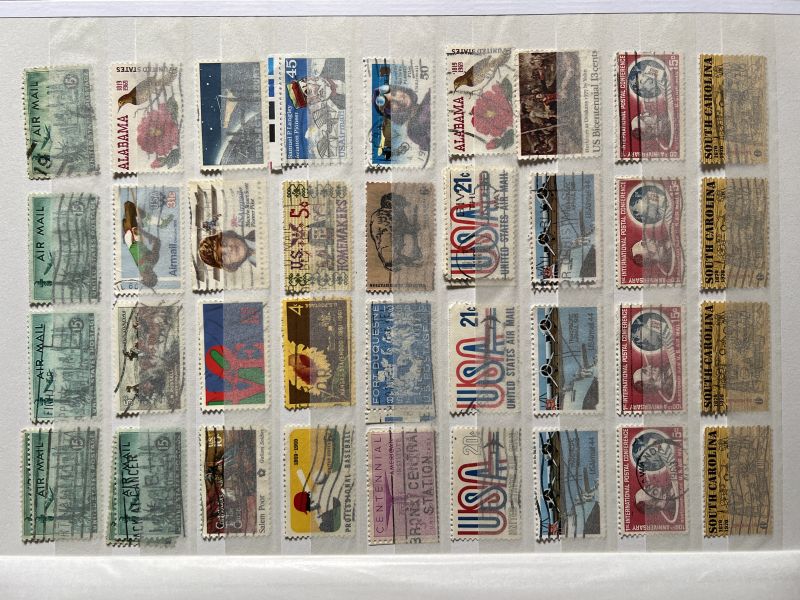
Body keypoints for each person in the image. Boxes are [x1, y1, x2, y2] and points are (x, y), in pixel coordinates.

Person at [372, 83, 431, 154]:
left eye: (394, 93)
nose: (398, 100)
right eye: (390, 103)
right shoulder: (413, 131)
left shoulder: (430, 96)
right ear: (390, 112)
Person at [122, 200, 162, 288]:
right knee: (129, 206)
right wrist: (144, 233)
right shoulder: (153, 260)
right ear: (152, 275)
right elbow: (157, 241)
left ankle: (144, 217)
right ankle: (149, 218)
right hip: (134, 237)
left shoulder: (142, 271)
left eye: (143, 279)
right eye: (145, 278)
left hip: (127, 238)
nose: (143, 277)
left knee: (128, 210)